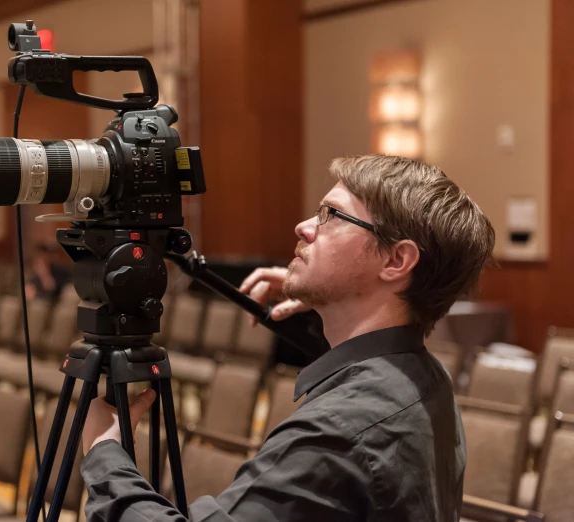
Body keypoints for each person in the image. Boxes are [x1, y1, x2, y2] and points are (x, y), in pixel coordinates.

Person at [78, 155, 496, 521]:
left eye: (331, 215)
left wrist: (105, 452)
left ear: (396, 259)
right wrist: (326, 297)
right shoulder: (428, 377)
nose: (304, 226)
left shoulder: (337, 432)